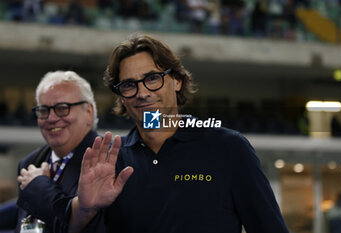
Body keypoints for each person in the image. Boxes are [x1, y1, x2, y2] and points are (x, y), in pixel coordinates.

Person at [59, 34, 290, 233]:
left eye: (152, 79)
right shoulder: (110, 162)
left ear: (177, 81)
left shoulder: (229, 148)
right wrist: (86, 211)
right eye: (129, 85)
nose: (142, 93)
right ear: (121, 96)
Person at [15, 71, 100, 233]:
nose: (51, 118)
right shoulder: (29, 163)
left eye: (62, 108)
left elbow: (82, 224)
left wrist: (40, 186)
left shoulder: (106, 159)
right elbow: (26, 223)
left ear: (88, 112)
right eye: (43, 110)